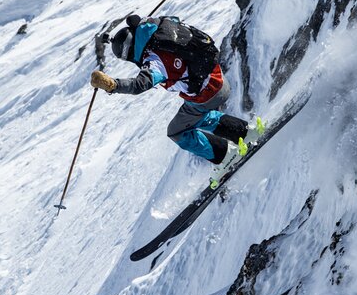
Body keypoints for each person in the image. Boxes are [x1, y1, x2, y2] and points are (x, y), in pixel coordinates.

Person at [90, 14, 264, 185]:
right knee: (197, 116)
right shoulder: (162, 28)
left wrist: (113, 85)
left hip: (206, 94)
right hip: (216, 77)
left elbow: (139, 85)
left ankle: (226, 155)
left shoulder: (154, 60)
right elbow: (171, 20)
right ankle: (247, 132)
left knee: (176, 131)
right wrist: (117, 35)